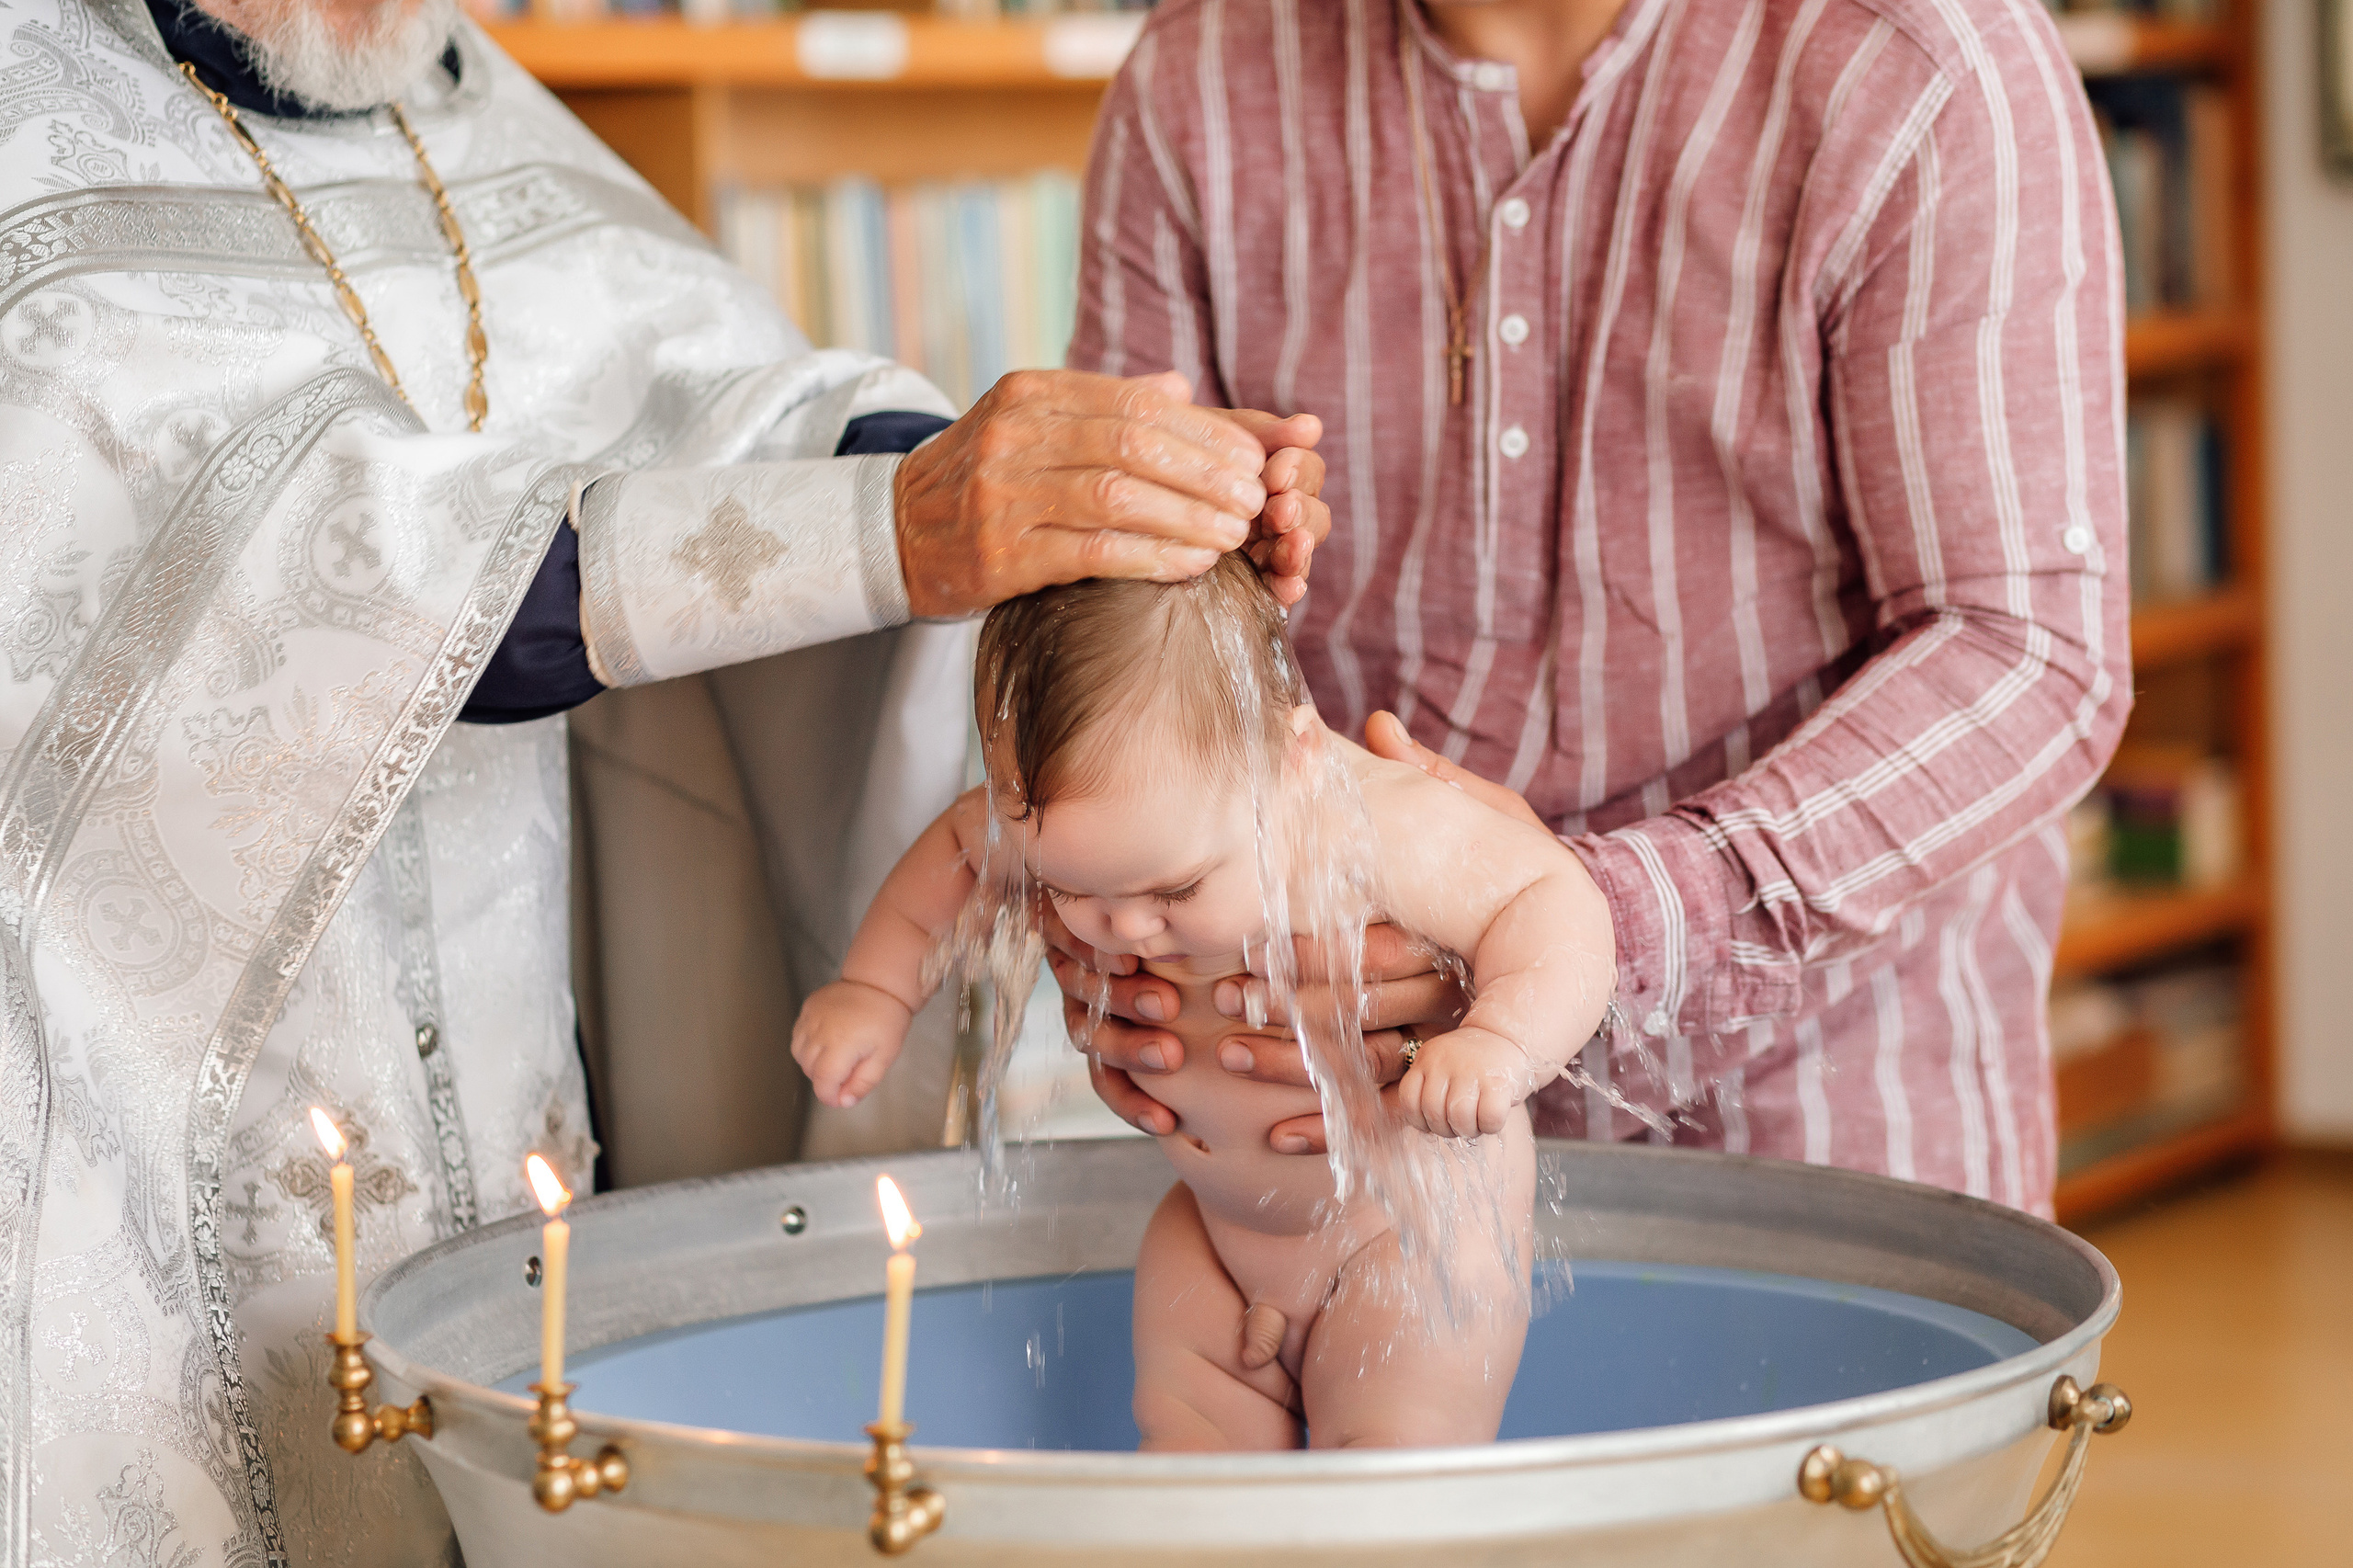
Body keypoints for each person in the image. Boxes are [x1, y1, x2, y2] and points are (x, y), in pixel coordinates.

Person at [0, 0, 1328, 1562]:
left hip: (511, 1173)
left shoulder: (465, 103)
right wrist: (902, 525)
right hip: (135, 1200)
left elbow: (732, 409)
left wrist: (1081, 518)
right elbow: (296, 579)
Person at [1058, 0, 2131, 1221]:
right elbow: (1114, 627)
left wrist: (1592, 923)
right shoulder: (1198, 74)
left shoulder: (1922, 63)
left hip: (1811, 1109)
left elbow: (2026, 651)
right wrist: (1109, 907)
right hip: (1328, 1121)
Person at [791, 552, 1614, 1449]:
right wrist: (874, 987)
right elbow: (957, 850)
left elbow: (1554, 903)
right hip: (1215, 1238)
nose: (1124, 925)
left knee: (1391, 1492)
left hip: (1407, 1238)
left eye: (1174, 890)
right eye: (1070, 887)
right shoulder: (1099, 813)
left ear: (1293, 760)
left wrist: (1499, 1041)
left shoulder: (1378, 820)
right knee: (1186, 1489)